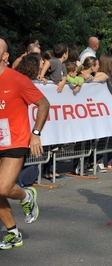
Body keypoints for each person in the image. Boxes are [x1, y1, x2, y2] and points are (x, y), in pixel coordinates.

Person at [0, 38, 50, 250]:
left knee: (1, 187)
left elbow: (43, 103)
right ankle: (13, 233)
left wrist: (36, 133)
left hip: (15, 140)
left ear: (5, 56)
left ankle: (27, 195)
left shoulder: (17, 79)